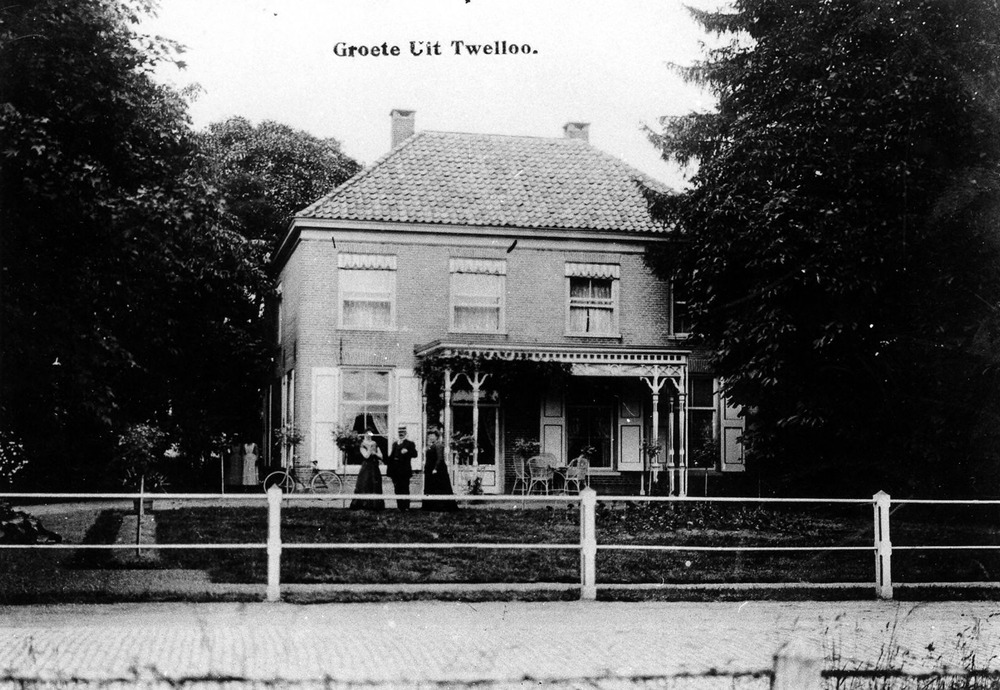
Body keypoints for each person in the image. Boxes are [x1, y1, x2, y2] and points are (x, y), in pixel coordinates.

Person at [421, 429, 458, 512]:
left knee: (439, 488)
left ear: (436, 436)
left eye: (432, 435)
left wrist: (435, 468)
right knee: (431, 488)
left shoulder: (439, 445)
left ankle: (441, 507)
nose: (430, 437)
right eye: (429, 435)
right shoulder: (431, 445)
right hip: (430, 470)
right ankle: (430, 506)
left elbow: (440, 458)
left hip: (438, 471)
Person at [350, 432, 385, 511]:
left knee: (375, 485)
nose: (368, 436)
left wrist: (375, 453)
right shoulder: (362, 444)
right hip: (366, 467)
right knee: (364, 484)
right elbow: (366, 456)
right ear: (365, 435)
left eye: (370, 435)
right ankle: (363, 505)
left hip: (374, 467)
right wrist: (369, 449)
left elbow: (381, 456)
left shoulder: (375, 443)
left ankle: (375, 505)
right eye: (367, 434)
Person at [386, 425, 417, 511]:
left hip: (404, 470)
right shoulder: (395, 444)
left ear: (406, 433)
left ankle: (406, 506)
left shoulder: (410, 443)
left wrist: (408, 451)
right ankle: (400, 506)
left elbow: (415, 454)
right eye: (399, 432)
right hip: (395, 470)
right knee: (397, 488)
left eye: (402, 432)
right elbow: (391, 457)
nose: (401, 434)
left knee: (405, 488)